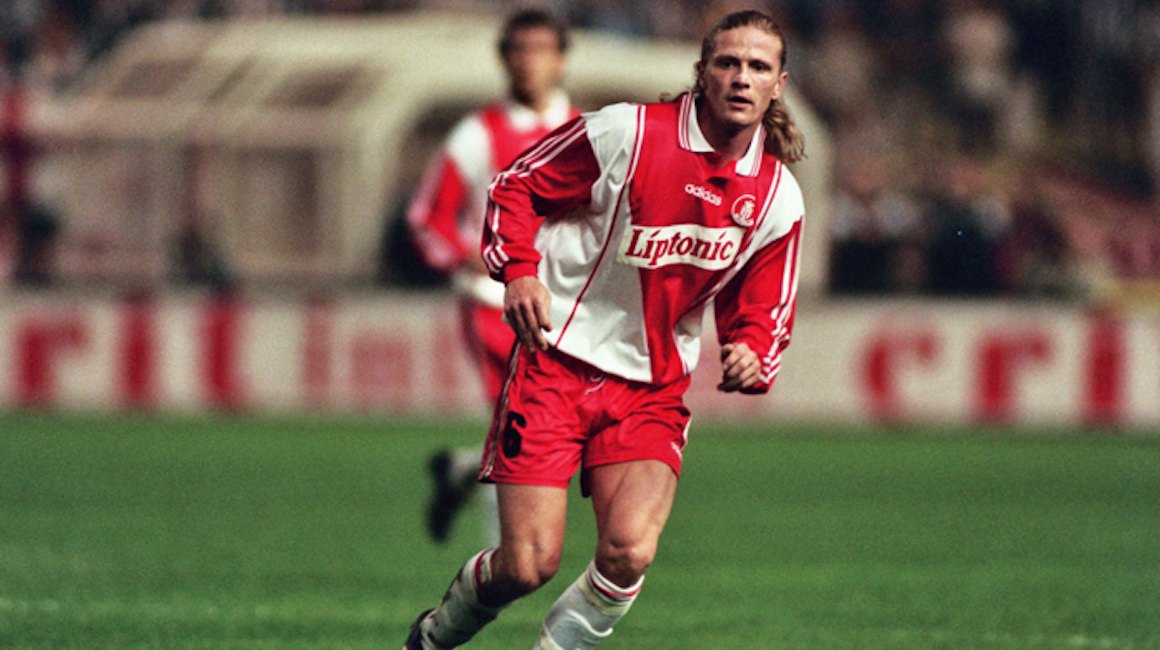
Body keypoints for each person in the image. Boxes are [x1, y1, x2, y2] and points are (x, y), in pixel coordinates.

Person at [403, 9, 806, 650]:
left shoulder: (778, 196)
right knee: (526, 565)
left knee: (629, 553)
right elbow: (515, 187)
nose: (741, 77)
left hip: (652, 389)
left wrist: (753, 349)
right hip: (557, 364)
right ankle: (432, 636)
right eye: (728, 62)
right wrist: (520, 272)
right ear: (701, 72)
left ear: (778, 84)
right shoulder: (627, 132)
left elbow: (764, 302)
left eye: (758, 67)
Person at [406, 8, 580, 544]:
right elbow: (427, 217)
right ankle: (504, 558)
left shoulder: (585, 132)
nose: (529, 62)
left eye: (540, 50)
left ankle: (463, 472)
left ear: (561, 59)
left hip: (567, 306)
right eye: (518, 50)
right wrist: (467, 255)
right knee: (515, 424)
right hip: (492, 304)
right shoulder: (477, 134)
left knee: (559, 432)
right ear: (504, 59)